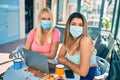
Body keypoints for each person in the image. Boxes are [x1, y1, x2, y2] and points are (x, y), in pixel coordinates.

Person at [58, 12, 101, 80]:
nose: (76, 27)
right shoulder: (68, 39)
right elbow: (60, 57)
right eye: (73, 24)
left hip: (90, 75)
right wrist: (76, 67)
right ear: (68, 26)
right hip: (74, 72)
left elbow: (83, 72)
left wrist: (65, 61)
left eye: (80, 25)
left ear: (84, 27)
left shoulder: (85, 41)